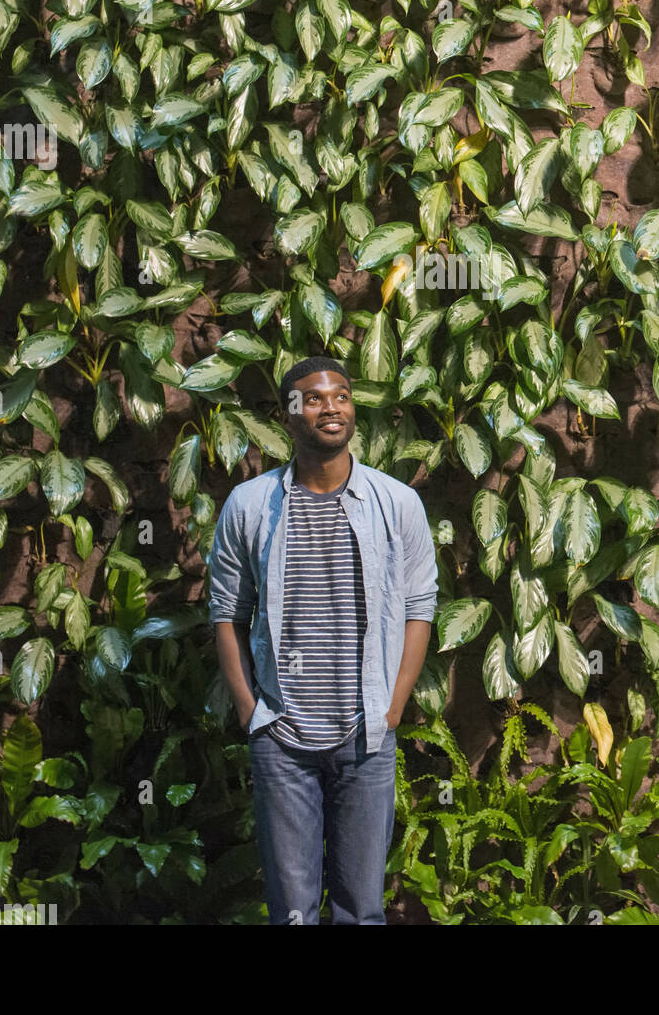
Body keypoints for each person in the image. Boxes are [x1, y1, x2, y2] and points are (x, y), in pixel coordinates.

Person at [209, 356, 438, 924]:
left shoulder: (398, 504)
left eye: (340, 395)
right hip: (282, 736)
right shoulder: (250, 505)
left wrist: (392, 709)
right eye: (312, 398)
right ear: (286, 416)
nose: (330, 406)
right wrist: (250, 712)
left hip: (366, 734)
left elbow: (419, 609)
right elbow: (226, 613)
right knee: (292, 910)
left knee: (362, 909)